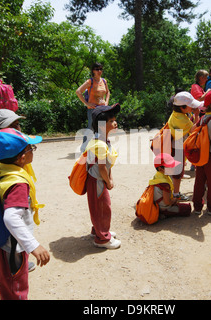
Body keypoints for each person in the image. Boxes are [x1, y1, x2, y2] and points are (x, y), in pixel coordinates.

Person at [0, 128, 50, 300]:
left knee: (7, 287)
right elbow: (11, 217)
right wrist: (33, 246)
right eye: (31, 148)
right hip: (12, 247)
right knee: (17, 289)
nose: (32, 151)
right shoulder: (18, 184)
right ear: (22, 157)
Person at [85, 104, 120, 249]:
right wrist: (109, 181)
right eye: (111, 121)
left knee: (99, 207)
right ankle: (102, 238)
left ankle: (98, 230)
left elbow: (107, 163)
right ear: (101, 125)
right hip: (98, 180)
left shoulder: (103, 140)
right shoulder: (100, 143)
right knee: (103, 208)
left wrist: (109, 177)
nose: (115, 122)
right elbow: (101, 168)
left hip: (99, 179)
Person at [168, 92, 202, 201]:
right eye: (190, 105)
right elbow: (194, 130)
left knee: (171, 171)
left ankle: (170, 192)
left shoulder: (175, 114)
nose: (193, 107)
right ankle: (176, 194)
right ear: (183, 107)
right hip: (178, 146)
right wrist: (197, 116)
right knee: (177, 173)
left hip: (172, 144)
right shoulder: (184, 120)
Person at [150, 153, 191, 219]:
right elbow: (167, 202)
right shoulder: (165, 184)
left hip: (156, 204)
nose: (173, 168)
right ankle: (162, 214)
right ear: (161, 169)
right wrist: (174, 200)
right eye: (170, 167)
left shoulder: (157, 176)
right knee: (187, 208)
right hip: (163, 208)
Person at [76, 62, 110, 129]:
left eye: (101, 69)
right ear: (93, 71)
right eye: (97, 69)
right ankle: (87, 140)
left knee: (102, 128)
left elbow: (108, 92)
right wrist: (87, 103)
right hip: (93, 110)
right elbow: (78, 91)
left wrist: (106, 102)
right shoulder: (90, 81)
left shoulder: (104, 81)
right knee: (91, 128)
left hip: (102, 109)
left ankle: (100, 140)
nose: (99, 71)